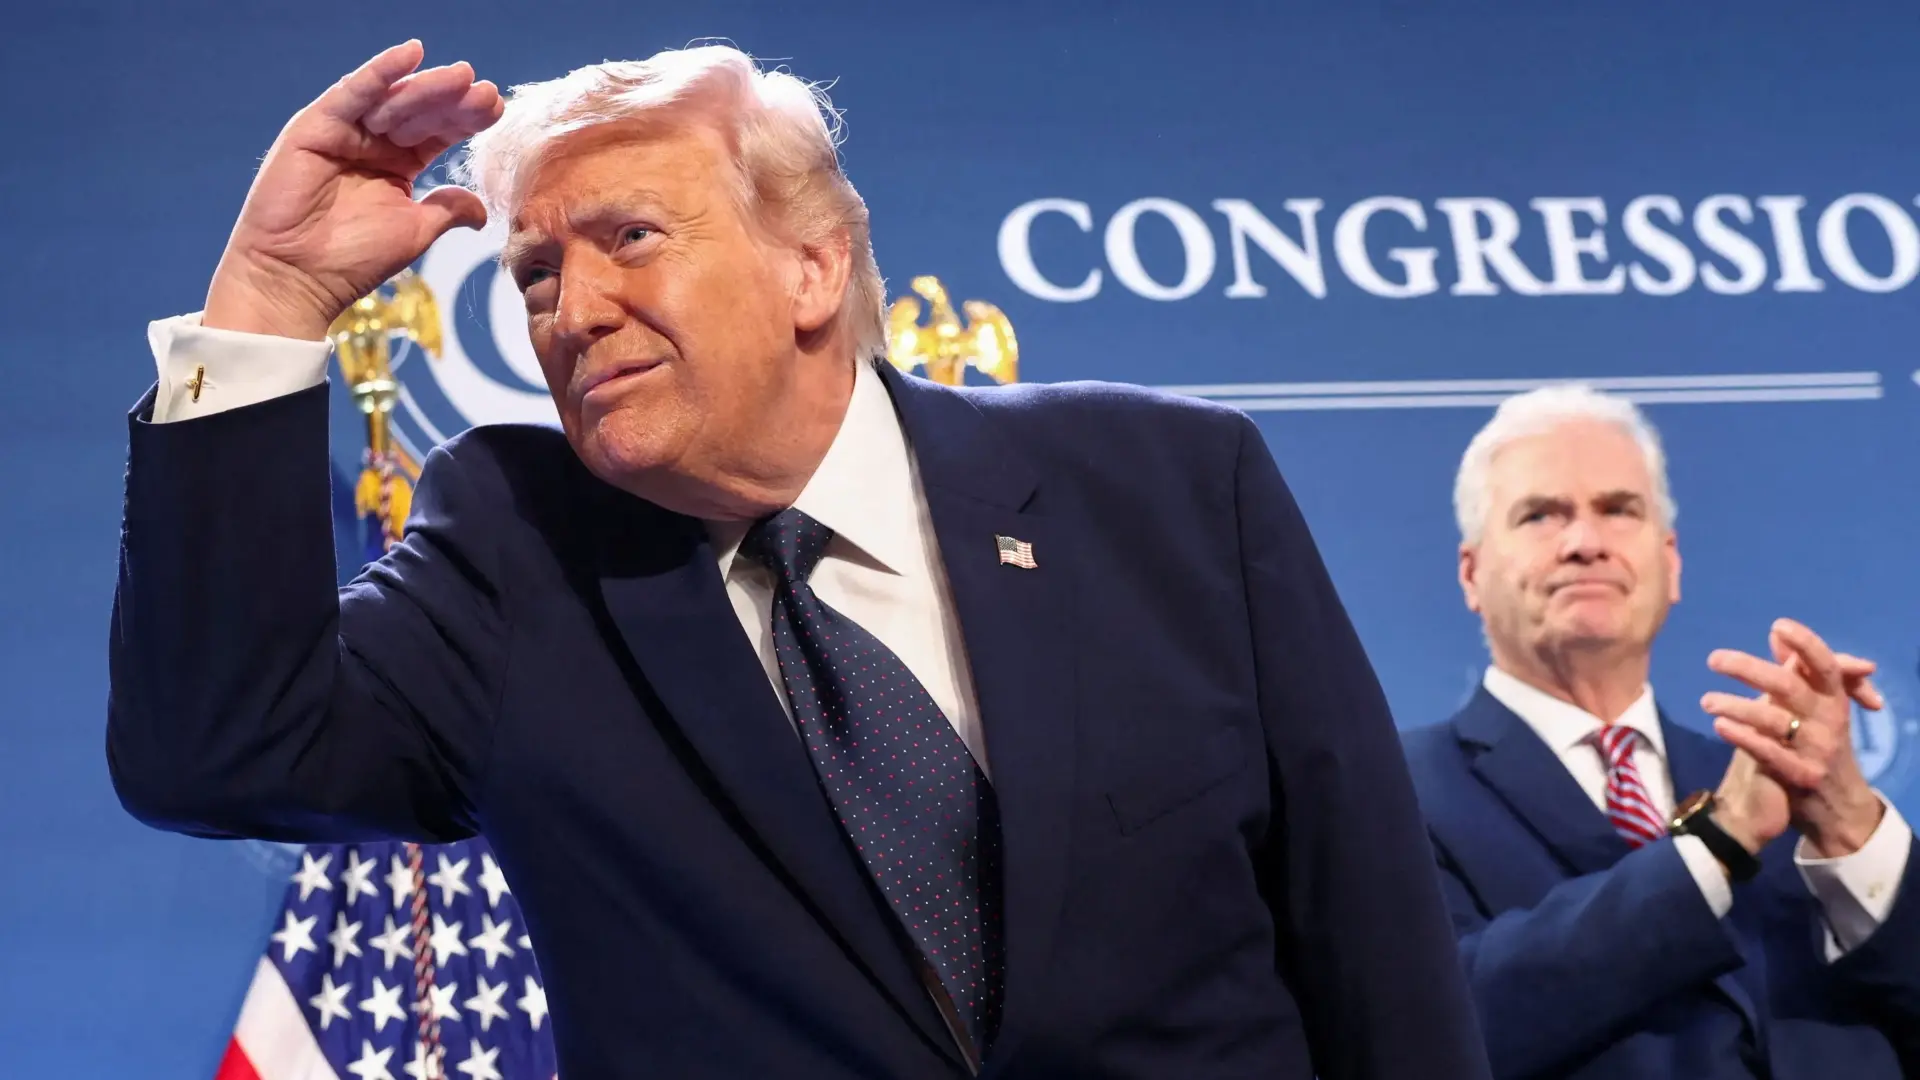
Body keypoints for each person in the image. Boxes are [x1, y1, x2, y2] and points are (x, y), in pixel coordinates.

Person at [106, 41, 1491, 1080]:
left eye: (629, 239)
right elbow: (220, 754)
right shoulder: (519, 553)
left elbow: (1373, 944)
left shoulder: (1167, 486)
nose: (573, 312)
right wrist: (269, 303)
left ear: (811, 267)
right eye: (535, 274)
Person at [1400, 384, 1920, 1080]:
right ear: (1472, 573)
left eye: (1619, 510)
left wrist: (1853, 828)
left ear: (1670, 563)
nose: (1585, 543)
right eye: (1540, 515)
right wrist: (1717, 843)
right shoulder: (1399, 788)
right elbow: (1428, 1025)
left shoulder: (1777, 783)